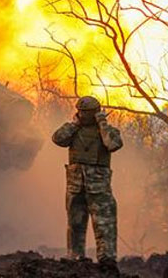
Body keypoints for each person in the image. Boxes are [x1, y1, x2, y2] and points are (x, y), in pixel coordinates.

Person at [52, 96, 123, 273]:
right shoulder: (73, 130)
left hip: (99, 188)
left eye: (87, 112)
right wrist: (74, 124)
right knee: (75, 224)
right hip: (75, 186)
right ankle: (75, 257)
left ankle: (107, 260)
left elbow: (112, 144)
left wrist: (102, 124)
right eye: (80, 112)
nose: (83, 115)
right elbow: (57, 139)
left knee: (104, 225)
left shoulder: (108, 131)